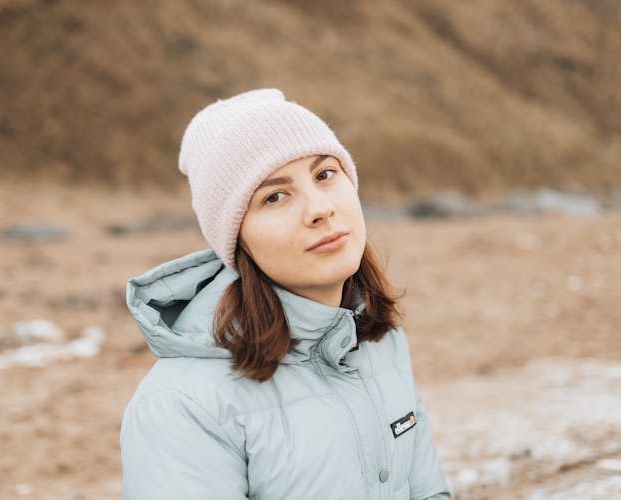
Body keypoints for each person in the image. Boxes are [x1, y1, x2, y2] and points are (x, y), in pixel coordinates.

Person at [120, 88, 450, 499]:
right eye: (275, 196)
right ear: (237, 241)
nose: (320, 208)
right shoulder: (184, 404)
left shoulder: (383, 343)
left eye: (325, 174)